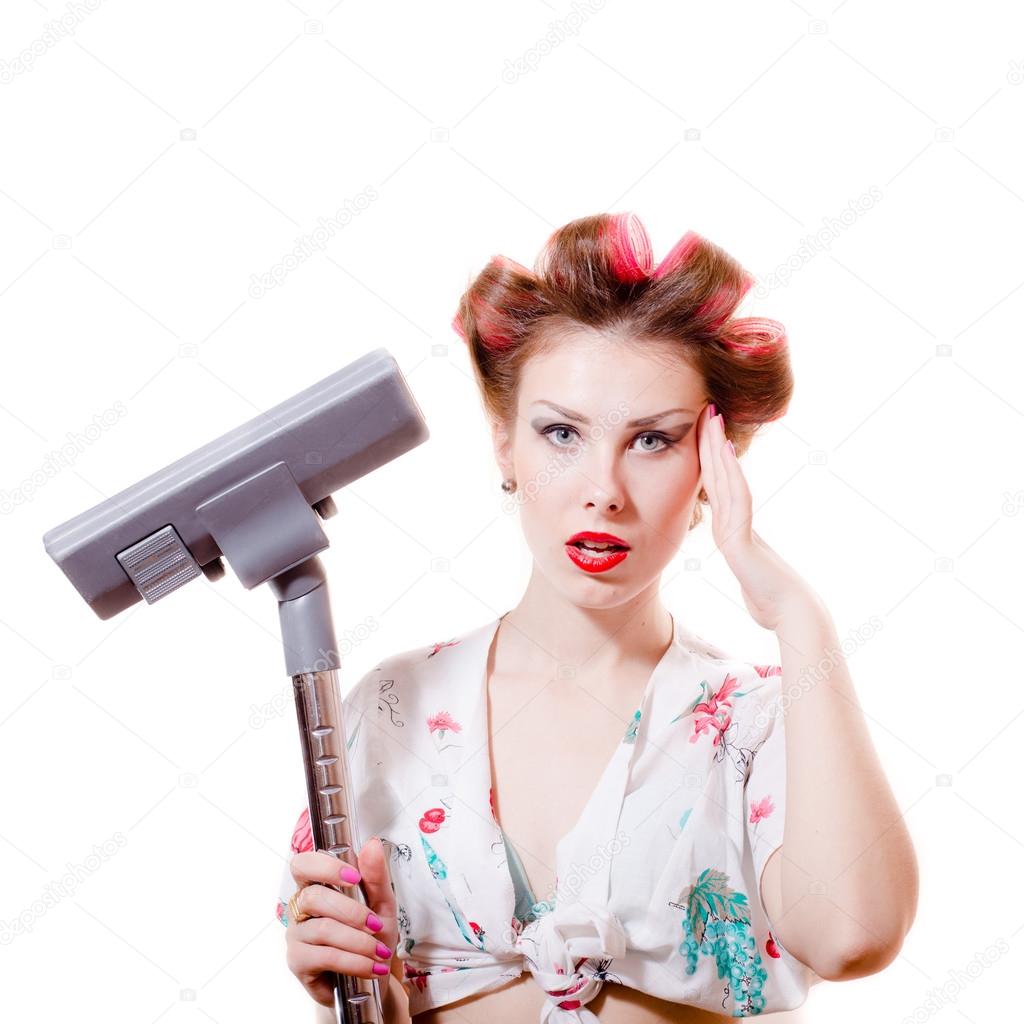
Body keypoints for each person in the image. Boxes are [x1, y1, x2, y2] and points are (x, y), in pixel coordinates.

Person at [277, 212, 919, 1022]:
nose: (604, 490)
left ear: (713, 466)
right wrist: (358, 989)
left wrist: (800, 616)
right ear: (505, 445)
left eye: (653, 440)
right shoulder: (394, 705)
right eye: (561, 433)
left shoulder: (756, 725)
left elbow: (855, 936)